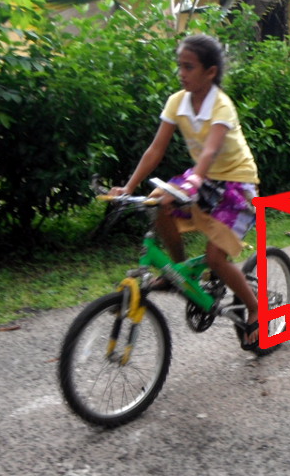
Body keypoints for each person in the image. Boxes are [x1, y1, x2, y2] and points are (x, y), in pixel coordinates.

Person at [110, 34, 261, 349]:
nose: (181, 72)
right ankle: (180, 274)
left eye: (189, 67)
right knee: (157, 203)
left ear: (210, 72)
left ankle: (255, 307)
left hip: (236, 181)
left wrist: (193, 182)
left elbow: (209, 151)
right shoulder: (177, 101)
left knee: (215, 258)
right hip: (203, 178)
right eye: (179, 65)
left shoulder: (221, 105)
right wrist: (128, 186)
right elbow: (155, 150)